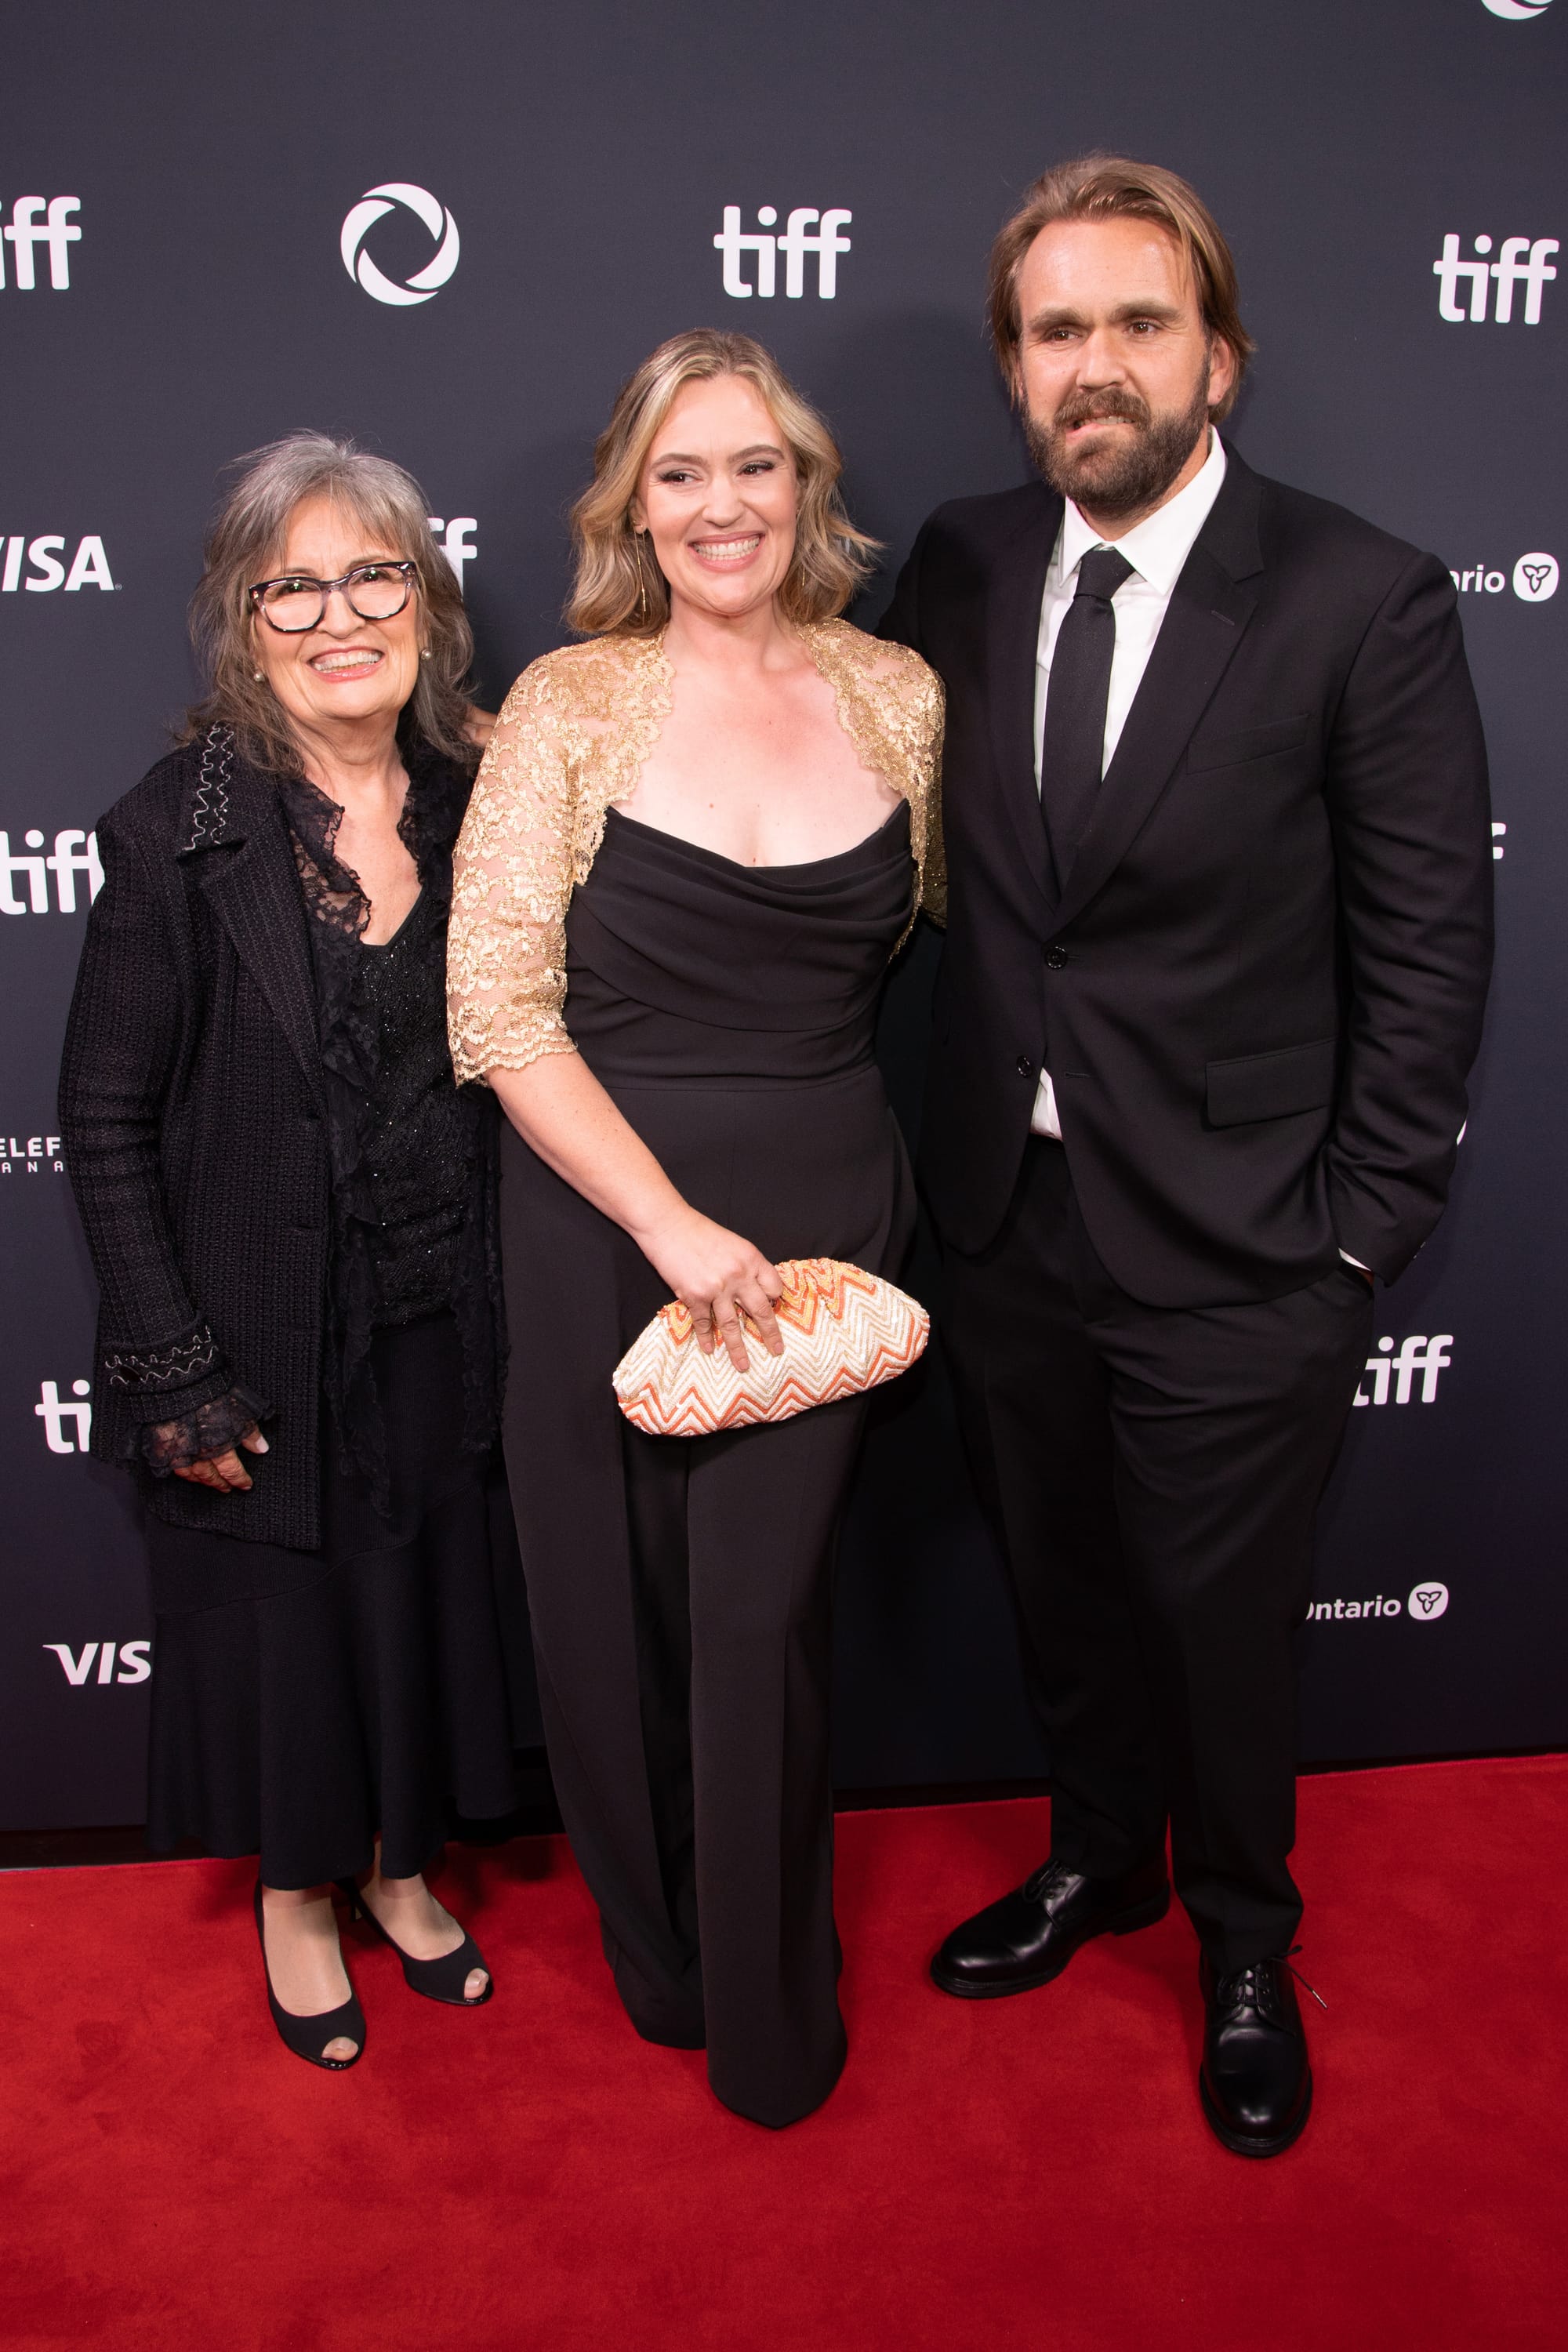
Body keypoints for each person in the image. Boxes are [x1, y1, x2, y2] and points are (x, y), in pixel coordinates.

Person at [881, 156, 1492, 2156]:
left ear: (1217, 357)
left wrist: (1358, 1241)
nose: (1095, 366)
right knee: (1060, 1592)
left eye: (1137, 323)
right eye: (1056, 331)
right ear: (1013, 367)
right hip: (1004, 1217)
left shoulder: (1355, 594)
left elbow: (1426, 945)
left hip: (1248, 1243)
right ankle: (1099, 1861)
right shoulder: (961, 568)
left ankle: (1239, 1939)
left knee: (1222, 1633)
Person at [448, 329, 942, 2128]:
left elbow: (931, 942)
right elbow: (498, 1011)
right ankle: (659, 1962)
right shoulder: (574, 702)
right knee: (609, 1615)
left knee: (756, 1624)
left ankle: (767, 2013)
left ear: (801, 484)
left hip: (817, 1231)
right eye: (681, 472)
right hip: (602, 1212)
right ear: (632, 508)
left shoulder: (900, 693)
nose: (721, 503)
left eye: (753, 464)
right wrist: (664, 1220)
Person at [60, 433, 517, 2070]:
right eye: (295, 586)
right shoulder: (178, 829)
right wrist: (178, 1366)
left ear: (425, 599)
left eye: (374, 574)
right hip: (259, 1328)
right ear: (243, 624)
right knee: (288, 1631)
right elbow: (102, 1122)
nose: (342, 614)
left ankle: (402, 1867)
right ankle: (297, 1898)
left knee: (413, 1606)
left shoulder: (489, 802)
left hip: (444, 1315)